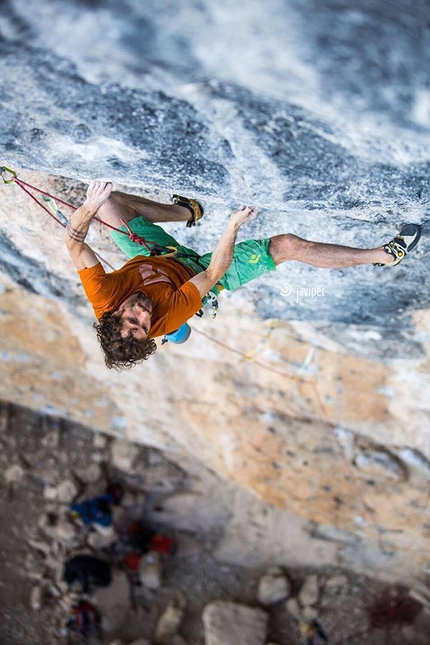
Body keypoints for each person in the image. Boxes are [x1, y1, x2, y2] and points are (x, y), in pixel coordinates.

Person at [64, 181, 422, 370]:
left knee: (109, 205)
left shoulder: (103, 295)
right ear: (148, 334)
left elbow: (74, 243)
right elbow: (214, 269)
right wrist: (232, 225)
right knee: (286, 245)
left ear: (113, 313)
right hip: (199, 276)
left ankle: (186, 210)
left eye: (132, 317)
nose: (142, 315)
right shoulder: (165, 316)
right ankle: (385, 255)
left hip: (154, 259)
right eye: (143, 325)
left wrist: (89, 206)